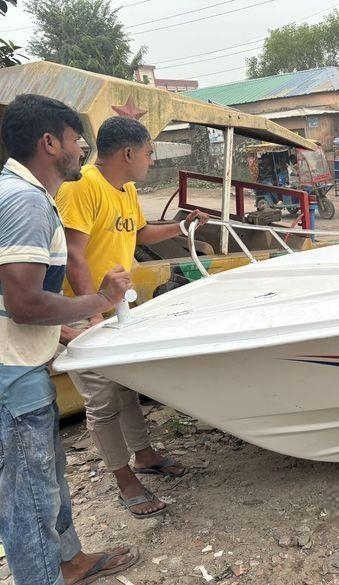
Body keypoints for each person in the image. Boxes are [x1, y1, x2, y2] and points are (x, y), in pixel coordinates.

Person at [0, 94, 140, 585]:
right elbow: (23, 303)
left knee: (49, 477)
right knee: (29, 496)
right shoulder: (25, 202)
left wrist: (68, 331)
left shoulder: (18, 194)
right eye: (76, 142)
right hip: (10, 377)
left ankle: (71, 562)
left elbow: (12, 296)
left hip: (21, 365)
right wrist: (99, 300)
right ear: (49, 142)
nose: (82, 151)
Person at [56, 116, 210, 519]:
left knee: (126, 387)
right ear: (128, 153)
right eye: (148, 152)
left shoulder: (124, 189)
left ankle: (143, 455)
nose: (150, 159)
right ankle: (125, 481)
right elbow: (74, 254)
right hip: (84, 310)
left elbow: (137, 233)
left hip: (117, 309)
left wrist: (181, 225)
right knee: (103, 401)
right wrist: (91, 313)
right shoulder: (81, 187)